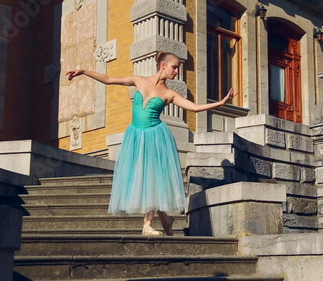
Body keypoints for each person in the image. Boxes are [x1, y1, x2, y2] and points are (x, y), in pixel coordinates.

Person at [66, 51, 236, 236]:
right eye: (174, 67)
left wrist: (220, 103)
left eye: (177, 68)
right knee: (145, 177)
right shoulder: (139, 81)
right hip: (136, 135)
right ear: (163, 65)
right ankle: (165, 218)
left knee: (152, 176)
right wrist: (83, 71)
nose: (176, 71)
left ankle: (147, 224)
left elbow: (194, 108)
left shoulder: (169, 93)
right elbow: (108, 79)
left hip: (156, 136)